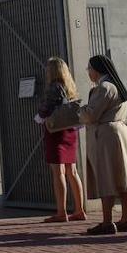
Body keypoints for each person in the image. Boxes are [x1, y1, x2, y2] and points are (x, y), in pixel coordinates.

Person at [76, 54, 127, 235]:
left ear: (96, 69)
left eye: (89, 69)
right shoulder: (118, 86)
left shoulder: (104, 87)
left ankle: (107, 221)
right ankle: (126, 218)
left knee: (106, 176)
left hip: (106, 135)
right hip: (121, 131)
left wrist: (79, 110)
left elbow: (91, 115)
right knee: (124, 176)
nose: (88, 72)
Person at [32, 57, 85, 223]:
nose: (46, 71)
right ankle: (79, 209)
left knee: (58, 172)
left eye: (48, 68)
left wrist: (39, 113)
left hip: (56, 131)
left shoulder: (53, 87)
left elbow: (45, 109)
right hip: (70, 130)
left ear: (52, 71)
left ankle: (61, 212)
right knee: (72, 171)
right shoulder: (70, 86)